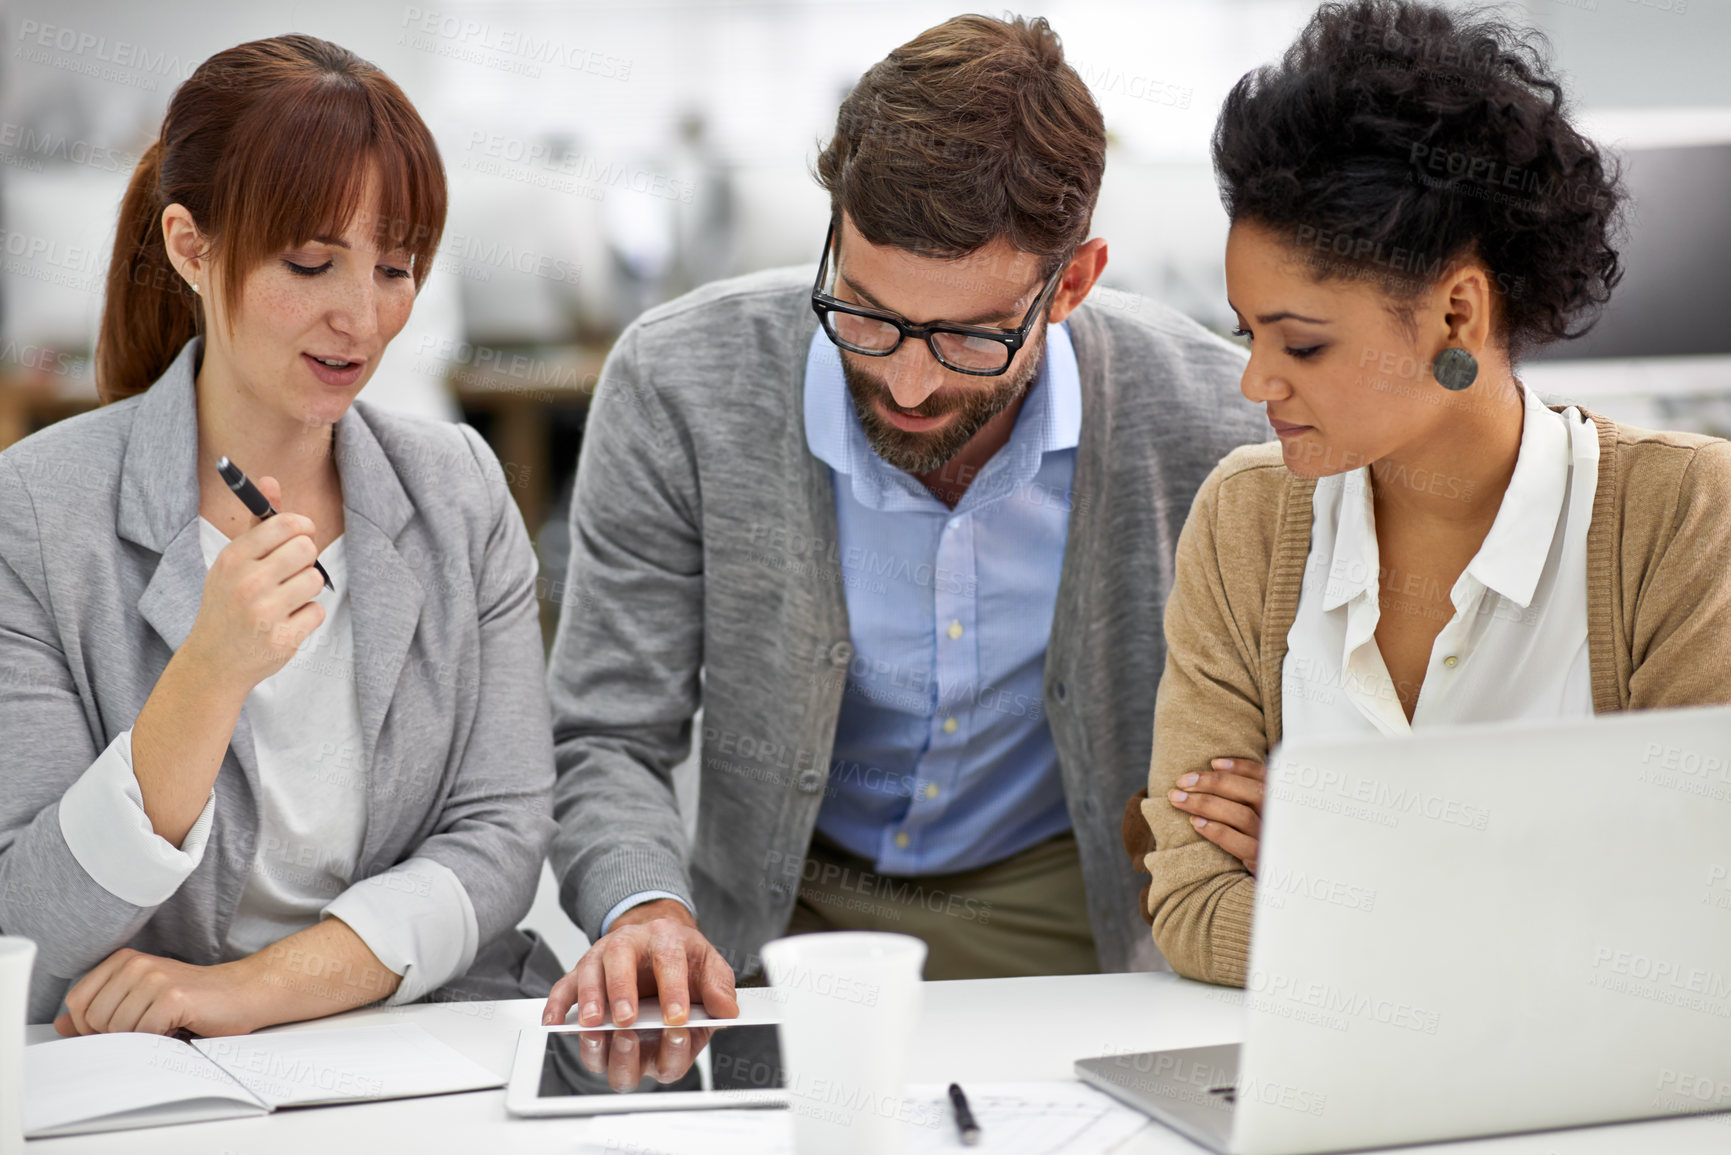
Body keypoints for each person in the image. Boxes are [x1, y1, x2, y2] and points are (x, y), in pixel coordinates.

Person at [541, 12, 1267, 1032]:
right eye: (869, 313)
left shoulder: (1221, 422)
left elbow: (1318, 727)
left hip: (1081, 923)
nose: (908, 381)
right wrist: (645, 909)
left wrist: (1298, 810)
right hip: (769, 925)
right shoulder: (677, 383)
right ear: (835, 233)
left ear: (1074, 284)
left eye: (968, 338)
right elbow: (606, 733)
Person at [1125, 0, 1731, 985]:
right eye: (1248, 334)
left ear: (1455, 312)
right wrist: (1542, 891)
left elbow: (1693, 914)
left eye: (1303, 342)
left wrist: (1348, 867)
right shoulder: (1247, 517)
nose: (1255, 383)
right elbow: (1194, 906)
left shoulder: (1684, 516)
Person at [0, 35, 561, 1032]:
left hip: (415, 1039)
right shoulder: (36, 513)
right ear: (190, 246)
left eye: (396, 268)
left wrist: (252, 991)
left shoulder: (460, 491)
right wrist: (209, 671)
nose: (361, 316)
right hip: (148, 1076)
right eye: (311, 262)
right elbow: (27, 928)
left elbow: (500, 840)